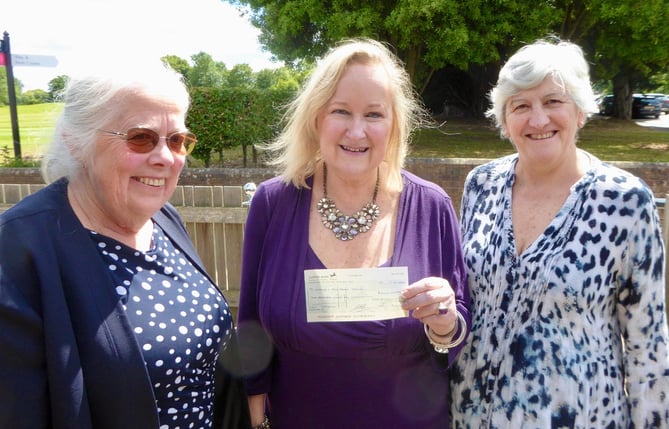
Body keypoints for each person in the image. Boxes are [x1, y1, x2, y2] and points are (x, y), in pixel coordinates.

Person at [0, 59, 250, 429]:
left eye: (177, 140)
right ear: (76, 140)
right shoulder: (17, 252)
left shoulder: (165, 220)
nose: (165, 157)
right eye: (141, 137)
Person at [237, 38, 471, 429]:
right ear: (316, 118)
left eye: (374, 114)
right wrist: (255, 405)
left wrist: (445, 323)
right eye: (341, 111)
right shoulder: (273, 202)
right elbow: (250, 323)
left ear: (394, 124)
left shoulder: (432, 206)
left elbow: (456, 332)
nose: (357, 131)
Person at [450, 38, 669, 428]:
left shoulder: (625, 202)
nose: (538, 120)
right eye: (521, 106)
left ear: (580, 111)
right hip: (470, 417)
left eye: (553, 101)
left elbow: (647, 349)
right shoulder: (480, 184)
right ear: (505, 119)